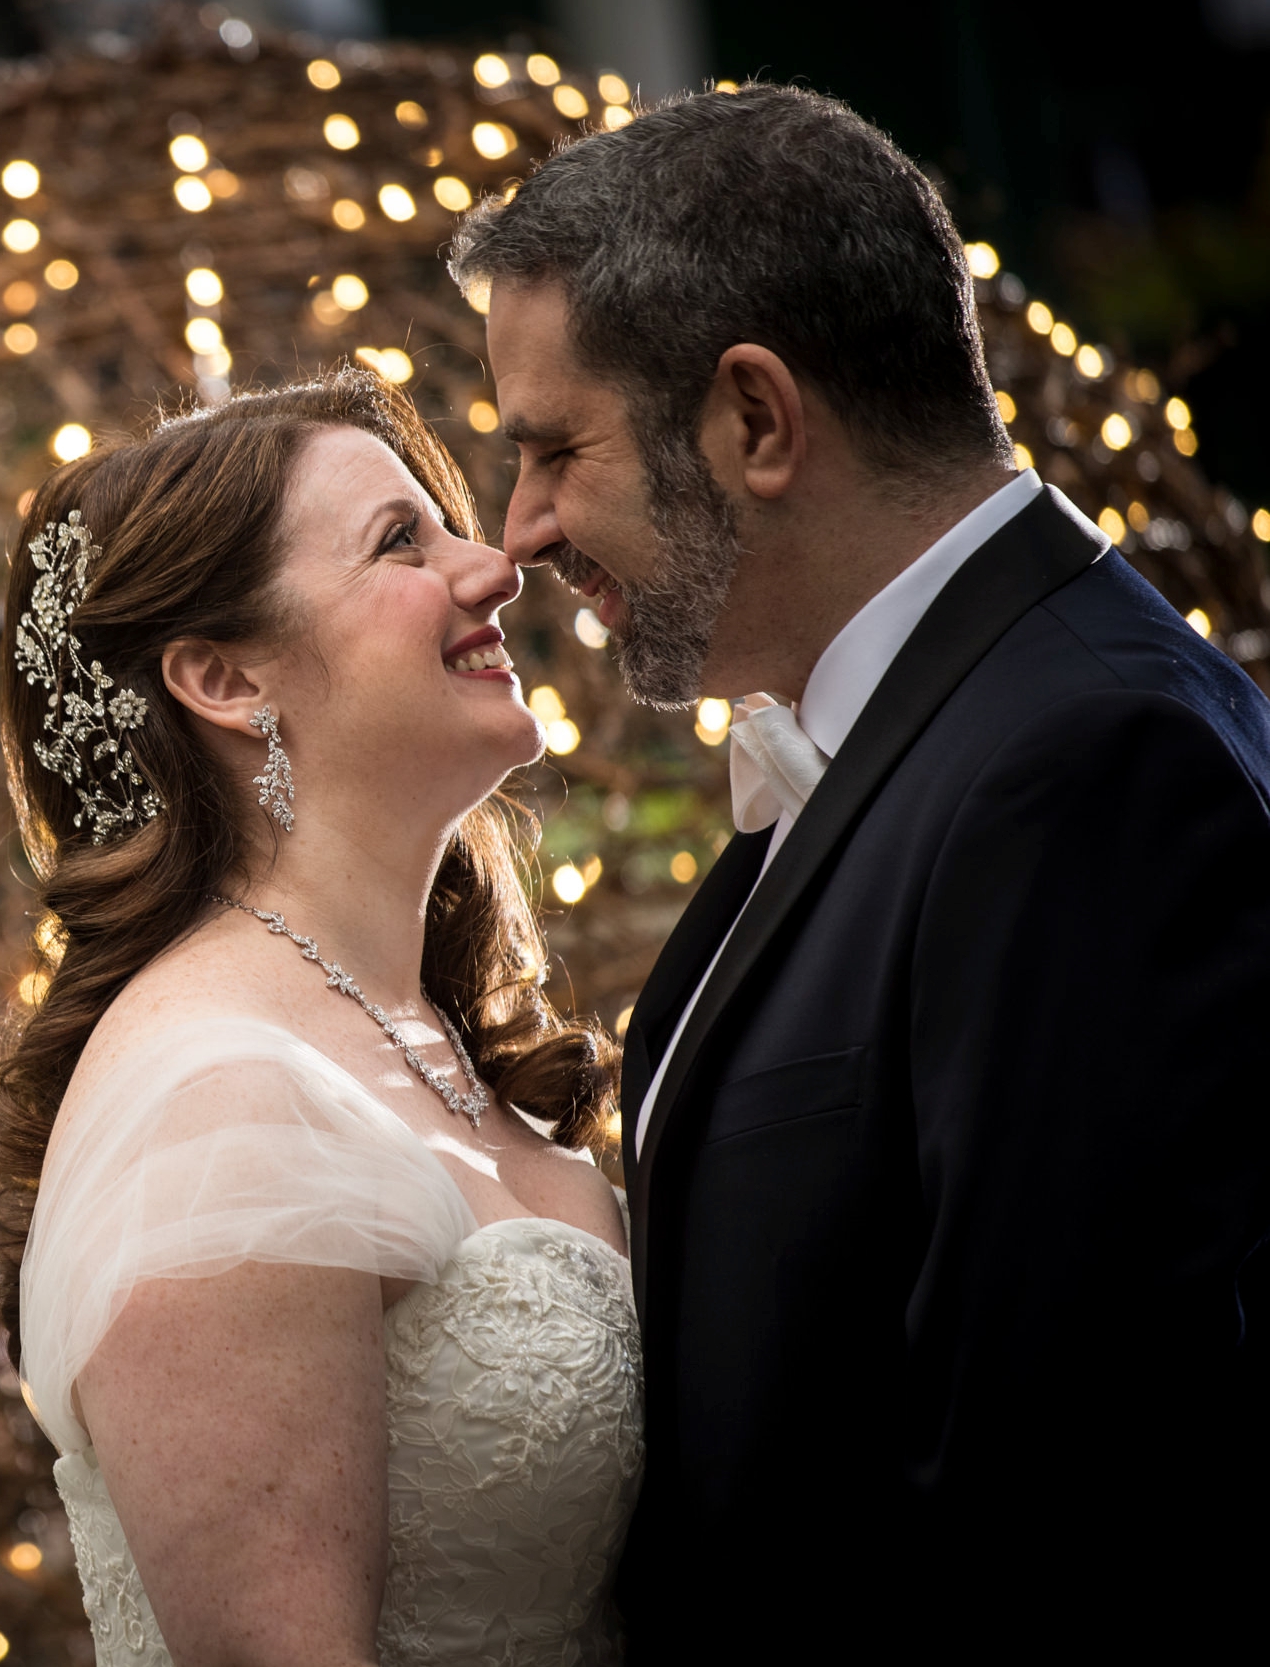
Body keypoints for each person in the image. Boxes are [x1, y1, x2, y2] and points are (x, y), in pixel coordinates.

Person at [454, 84, 1270, 1663]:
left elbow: (1062, 1515)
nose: (523, 528)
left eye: (555, 449)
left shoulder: (1086, 772)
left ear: (756, 420)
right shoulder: (943, 728)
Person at [0, 366, 638, 1667]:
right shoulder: (217, 1102)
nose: (493, 565)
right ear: (224, 679)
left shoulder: (430, 1034)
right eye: (404, 542)